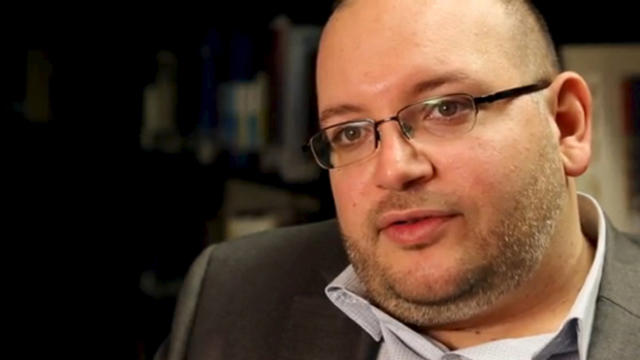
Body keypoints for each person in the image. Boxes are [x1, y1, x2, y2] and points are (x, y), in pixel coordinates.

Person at [155, 0, 640, 359]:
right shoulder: (234, 292)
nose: (393, 170)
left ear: (567, 123)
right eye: (348, 132)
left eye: (446, 109)